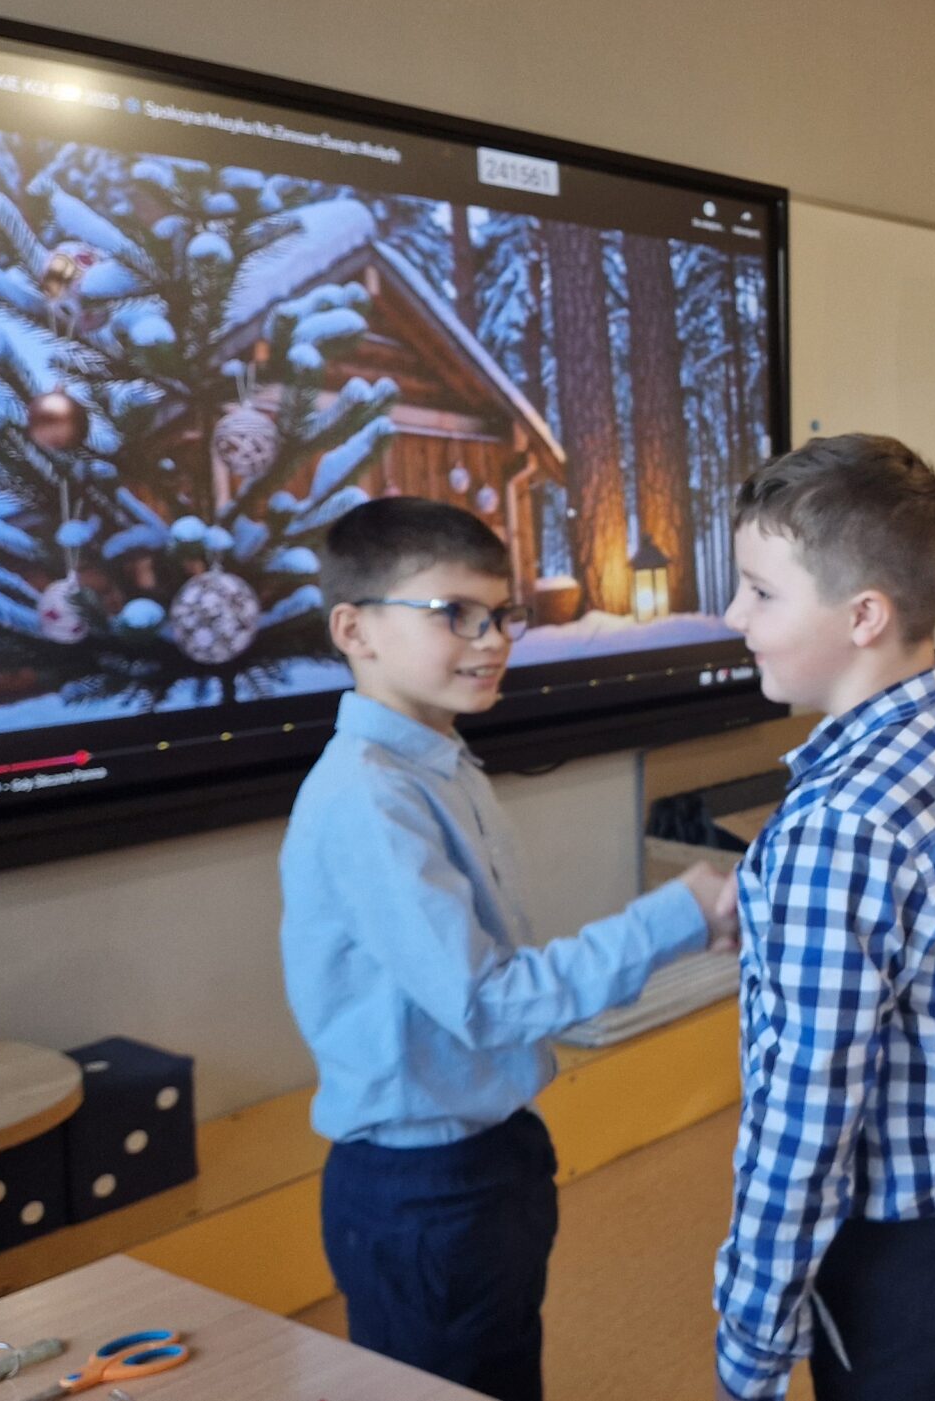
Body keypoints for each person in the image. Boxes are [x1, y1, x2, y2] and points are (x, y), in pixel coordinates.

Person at [282, 497, 737, 1401]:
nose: (491, 642)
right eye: (453, 614)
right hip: (423, 1184)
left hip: (491, 1155)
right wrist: (674, 915)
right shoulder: (370, 799)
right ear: (354, 629)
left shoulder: (438, 763)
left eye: (501, 616)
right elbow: (487, 1001)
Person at [711, 435, 935, 1401]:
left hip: (909, 1271)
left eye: (761, 592)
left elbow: (804, 1122)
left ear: (865, 615)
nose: (735, 615)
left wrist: (751, 1340)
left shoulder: (839, 826)